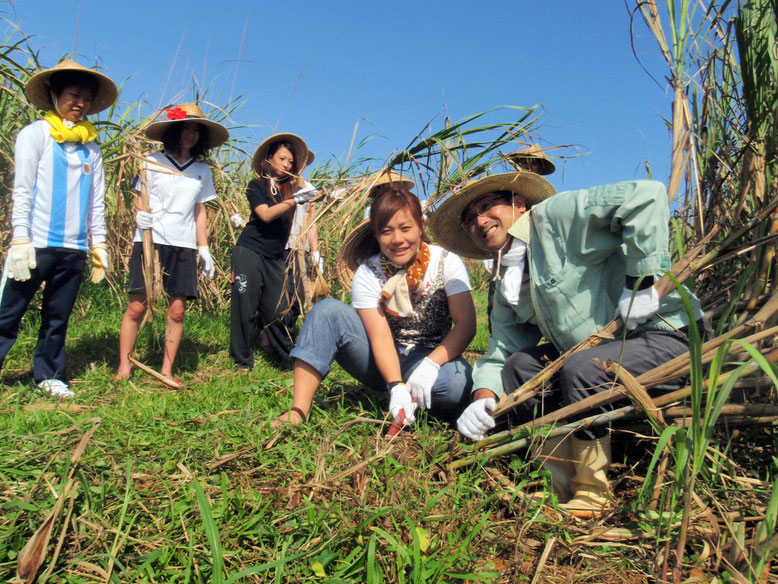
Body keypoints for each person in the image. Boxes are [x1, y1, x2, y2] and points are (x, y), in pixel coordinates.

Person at [429, 172, 704, 515]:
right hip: (598, 355)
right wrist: (483, 399)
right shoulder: (508, 278)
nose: (480, 221)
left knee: (583, 366)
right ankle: (558, 483)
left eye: (487, 206)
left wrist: (642, 282)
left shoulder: (556, 218)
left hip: (662, 337)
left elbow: (646, 195)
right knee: (522, 367)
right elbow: (503, 350)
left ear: (518, 203)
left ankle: (592, 492)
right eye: (470, 220)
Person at [274, 187, 476, 426]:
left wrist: (431, 365)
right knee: (326, 311)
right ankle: (299, 409)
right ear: (377, 235)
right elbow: (380, 336)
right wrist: (395, 384)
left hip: (431, 354)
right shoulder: (369, 272)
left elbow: (466, 325)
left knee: (457, 386)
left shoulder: (446, 261)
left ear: (421, 227)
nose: (397, 239)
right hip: (380, 357)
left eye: (406, 228)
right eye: (386, 231)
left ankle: (419, 401)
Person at [0, 59, 117, 397]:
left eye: (85, 98)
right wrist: (20, 238)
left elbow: (96, 202)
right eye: (73, 94)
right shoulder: (35, 135)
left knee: (57, 317)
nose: (79, 103)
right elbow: (21, 189)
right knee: (8, 311)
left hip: (74, 249)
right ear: (54, 94)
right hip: (34, 244)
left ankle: (50, 375)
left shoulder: (91, 148)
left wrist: (100, 244)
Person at [116, 103, 228, 382]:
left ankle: (167, 369)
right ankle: (124, 366)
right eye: (185, 128)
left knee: (177, 310)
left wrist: (204, 248)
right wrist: (140, 217)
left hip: (184, 244)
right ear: (175, 130)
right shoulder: (151, 160)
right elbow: (139, 199)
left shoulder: (202, 170)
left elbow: (200, 210)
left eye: (196, 130)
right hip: (151, 240)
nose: (190, 134)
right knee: (137, 305)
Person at [230, 133, 318, 370]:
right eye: (282, 159)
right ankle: (242, 361)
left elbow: (310, 216)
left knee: (279, 310)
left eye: (290, 162)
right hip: (250, 251)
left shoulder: (292, 190)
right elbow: (266, 214)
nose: (287, 165)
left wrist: (305, 195)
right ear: (268, 159)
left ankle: (288, 360)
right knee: (245, 305)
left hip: (276, 256)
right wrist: (296, 201)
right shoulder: (256, 186)